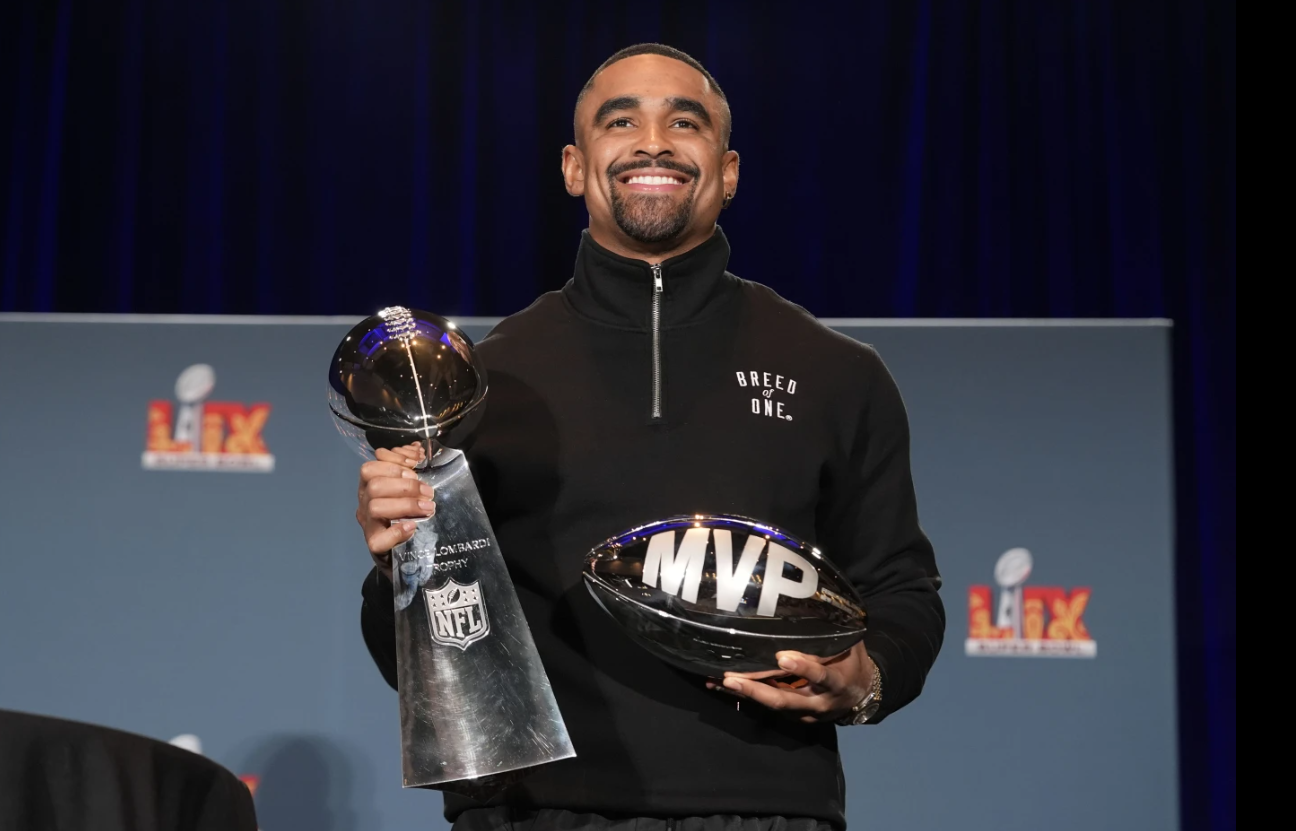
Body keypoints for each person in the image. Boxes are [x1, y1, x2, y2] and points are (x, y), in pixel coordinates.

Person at [356, 43, 944, 830]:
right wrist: (399, 561)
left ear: (728, 171)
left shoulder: (835, 372)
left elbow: (902, 589)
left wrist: (864, 677)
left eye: (686, 122)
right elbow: (424, 654)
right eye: (621, 120)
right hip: (536, 810)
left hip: (764, 807)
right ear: (575, 166)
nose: (655, 142)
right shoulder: (485, 382)